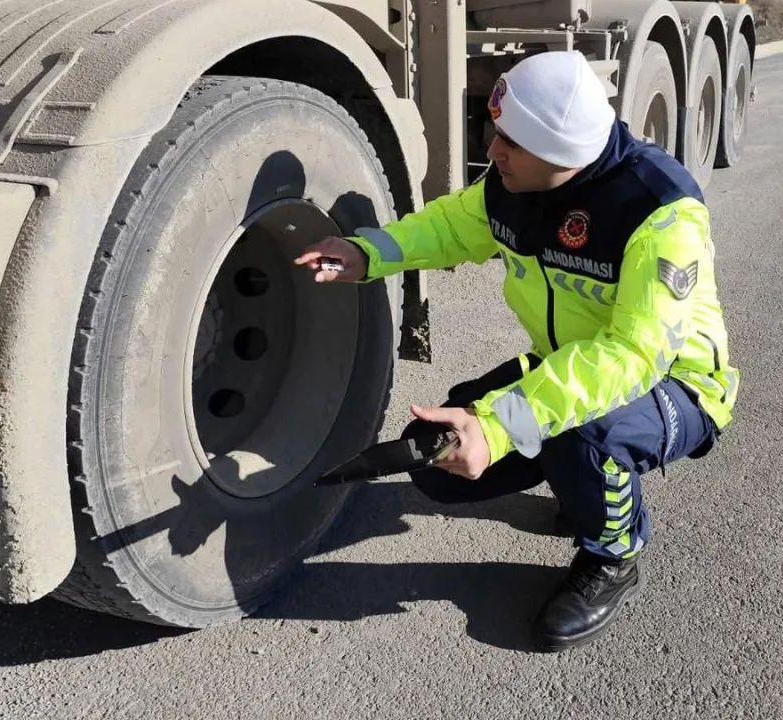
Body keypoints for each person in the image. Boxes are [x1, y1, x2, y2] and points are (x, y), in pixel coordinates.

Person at [293, 50, 739, 652]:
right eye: (496, 132)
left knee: (583, 435)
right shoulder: (515, 184)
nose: (494, 150)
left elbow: (631, 358)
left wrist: (500, 428)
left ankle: (614, 553)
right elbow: (446, 228)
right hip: (570, 367)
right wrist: (367, 253)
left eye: (512, 142)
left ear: (565, 155)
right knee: (438, 458)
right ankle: (574, 476)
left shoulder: (660, 215)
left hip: (674, 385)